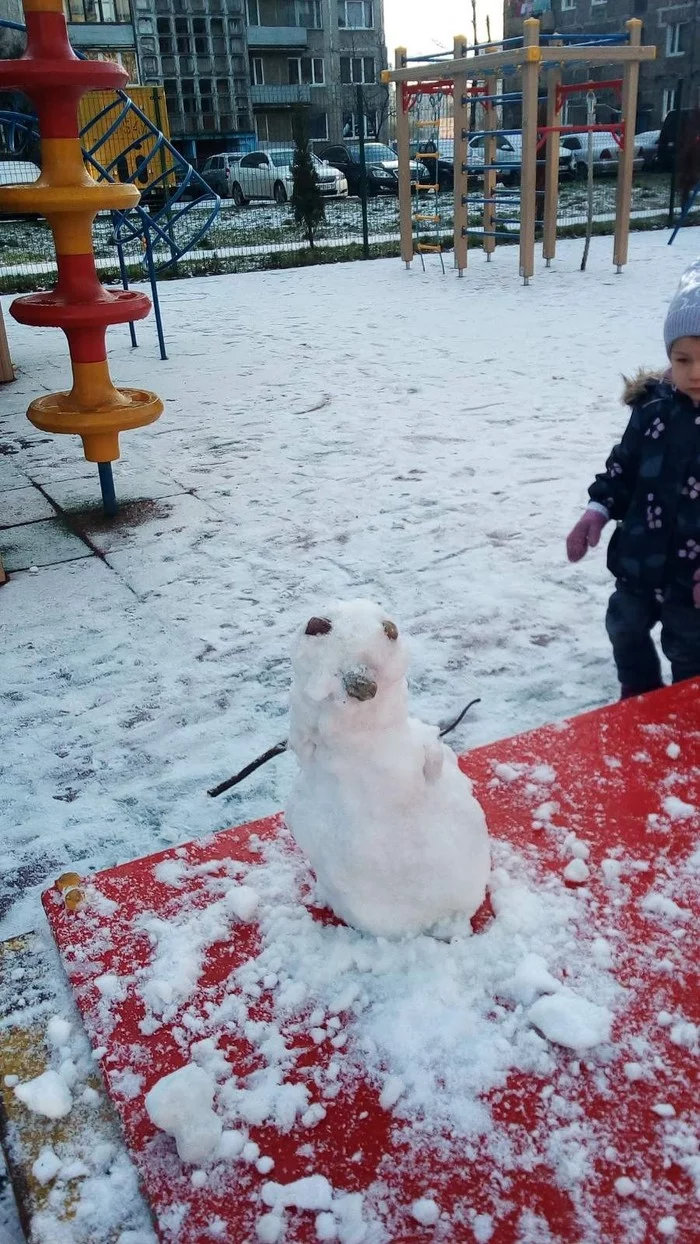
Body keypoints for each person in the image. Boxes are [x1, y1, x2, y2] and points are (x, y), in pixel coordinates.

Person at [566, 262, 700, 699]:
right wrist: (597, 511)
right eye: (683, 360)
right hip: (639, 562)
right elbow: (622, 466)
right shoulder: (652, 411)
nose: (695, 372)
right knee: (624, 628)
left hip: (692, 576)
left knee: (690, 651)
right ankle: (638, 696)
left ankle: (685, 710)